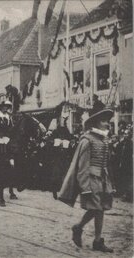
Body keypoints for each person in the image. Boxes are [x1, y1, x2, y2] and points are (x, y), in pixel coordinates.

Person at [59, 105, 115, 253]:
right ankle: (82, 230)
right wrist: (85, 186)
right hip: (91, 179)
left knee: (100, 209)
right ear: (96, 123)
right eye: (104, 121)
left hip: (102, 179)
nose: (107, 124)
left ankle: (93, 238)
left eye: (108, 121)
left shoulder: (103, 140)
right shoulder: (87, 140)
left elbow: (105, 163)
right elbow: (82, 166)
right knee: (96, 208)